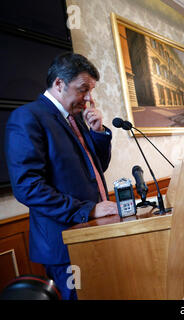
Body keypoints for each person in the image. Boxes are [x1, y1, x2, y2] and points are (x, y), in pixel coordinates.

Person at [5, 53, 118, 300]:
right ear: (59, 84)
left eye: (91, 90)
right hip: (64, 245)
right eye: (83, 89)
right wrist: (87, 210)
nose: (89, 98)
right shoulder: (28, 117)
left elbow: (96, 168)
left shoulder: (75, 118)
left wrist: (98, 132)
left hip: (90, 233)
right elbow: (28, 187)